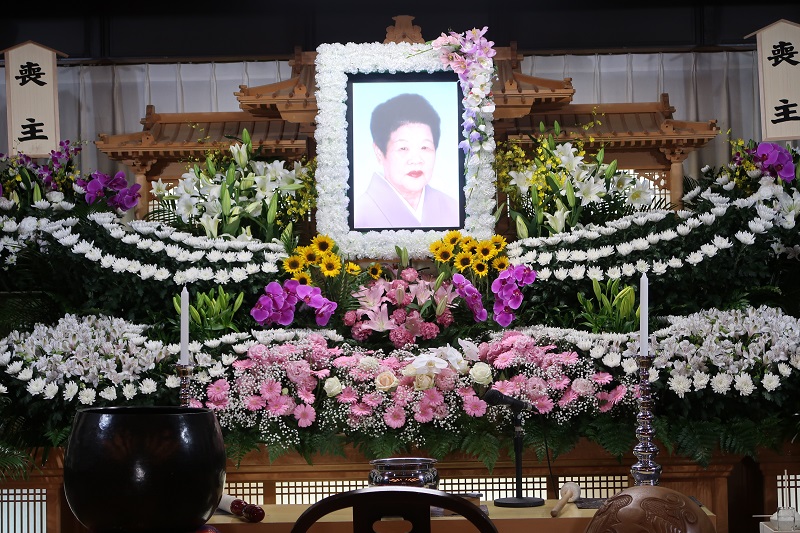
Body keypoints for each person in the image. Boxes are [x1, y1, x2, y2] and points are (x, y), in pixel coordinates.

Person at [353, 93, 460, 229]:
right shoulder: (359, 215)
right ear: (379, 152)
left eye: (425, 147)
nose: (416, 160)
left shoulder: (453, 209)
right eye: (403, 148)